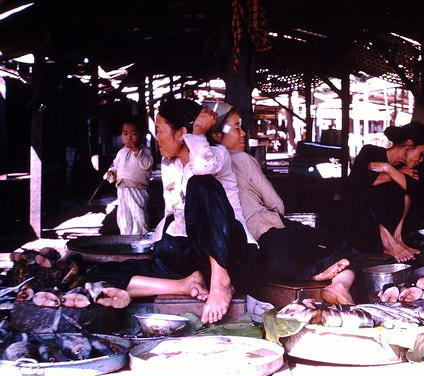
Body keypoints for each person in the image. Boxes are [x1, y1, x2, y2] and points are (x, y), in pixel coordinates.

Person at [88, 99, 257, 323]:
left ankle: (221, 283)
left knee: (200, 185)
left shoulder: (218, 156)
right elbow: (174, 215)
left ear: (180, 134)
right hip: (191, 258)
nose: (156, 138)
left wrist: (197, 132)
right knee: (96, 275)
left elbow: (202, 166)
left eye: (159, 130)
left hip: (228, 254)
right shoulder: (170, 165)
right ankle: (182, 285)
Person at [213, 102, 361, 305]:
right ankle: (338, 285)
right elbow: (276, 204)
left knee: (291, 258)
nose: (243, 133)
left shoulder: (197, 167)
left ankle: (310, 271)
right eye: (237, 127)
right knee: (347, 248)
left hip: (244, 256)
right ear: (216, 135)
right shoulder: (240, 158)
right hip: (271, 240)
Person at [346, 121, 424, 263]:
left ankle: (397, 238)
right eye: (421, 154)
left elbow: (414, 189)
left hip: (394, 225)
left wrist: (389, 169)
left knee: (408, 193)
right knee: (371, 190)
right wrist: (397, 174)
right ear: (409, 144)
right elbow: (361, 181)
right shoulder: (370, 152)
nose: (421, 160)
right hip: (363, 225)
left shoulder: (405, 167)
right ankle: (387, 241)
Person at [106, 119, 153, 235]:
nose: (129, 138)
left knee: (138, 213)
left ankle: (141, 236)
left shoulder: (145, 151)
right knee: (123, 215)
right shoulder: (121, 152)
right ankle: (126, 236)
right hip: (122, 188)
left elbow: (147, 164)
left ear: (141, 135)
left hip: (137, 188)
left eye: (133, 134)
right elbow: (115, 166)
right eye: (125, 134)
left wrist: (137, 151)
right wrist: (111, 173)